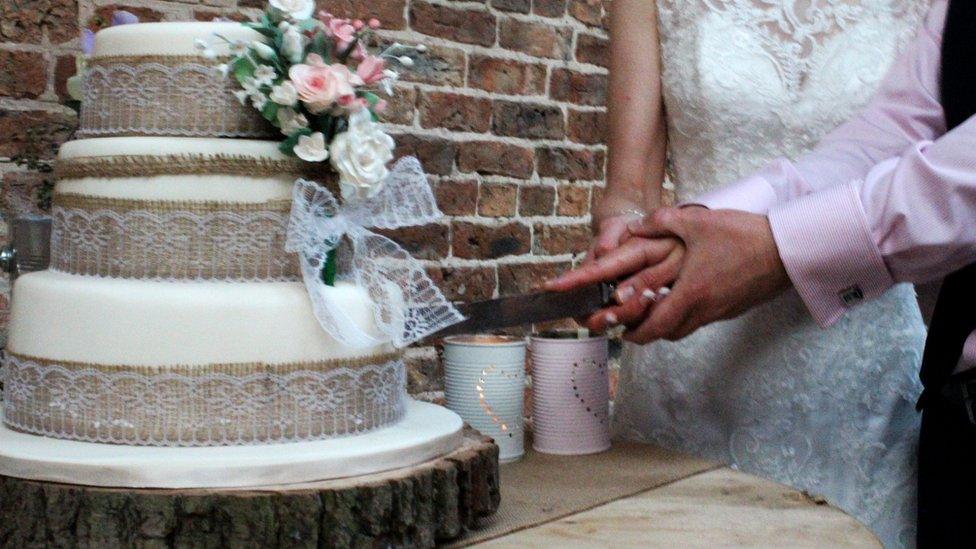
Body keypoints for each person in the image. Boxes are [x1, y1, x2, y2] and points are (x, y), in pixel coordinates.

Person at [548, 0, 975, 545]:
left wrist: (776, 246)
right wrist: (667, 238)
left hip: (859, 364)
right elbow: (883, 138)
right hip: (697, 339)